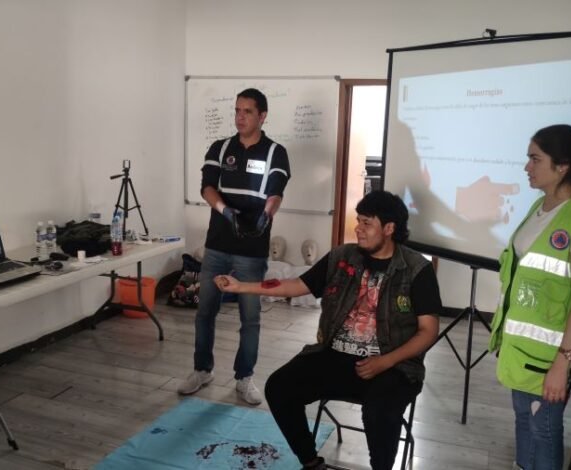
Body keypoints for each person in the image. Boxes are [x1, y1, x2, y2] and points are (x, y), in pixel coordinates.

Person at [216, 190, 441, 470]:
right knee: (279, 387)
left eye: (367, 223)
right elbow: (296, 285)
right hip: (335, 356)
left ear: (389, 228)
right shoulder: (343, 256)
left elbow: (428, 331)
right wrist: (241, 287)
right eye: (358, 221)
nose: (358, 228)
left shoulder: (416, 269)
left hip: (393, 366)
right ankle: (311, 463)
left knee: (380, 413)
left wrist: (385, 361)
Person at [488, 124, 571, 470]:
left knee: (543, 430)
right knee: (525, 421)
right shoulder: (542, 206)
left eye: (535, 159)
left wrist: (562, 365)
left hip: (551, 357)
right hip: (524, 351)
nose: (527, 167)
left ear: (562, 166)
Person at [177, 88, 291, 406]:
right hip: (217, 244)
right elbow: (207, 187)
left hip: (252, 250)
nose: (240, 117)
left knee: (250, 317)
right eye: (237, 111)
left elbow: (276, 193)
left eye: (247, 112)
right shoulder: (221, 147)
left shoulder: (275, 152)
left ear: (262, 116)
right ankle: (202, 370)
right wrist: (226, 211)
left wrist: (266, 215)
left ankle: (244, 378)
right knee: (205, 311)